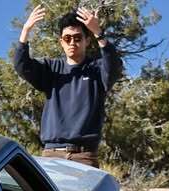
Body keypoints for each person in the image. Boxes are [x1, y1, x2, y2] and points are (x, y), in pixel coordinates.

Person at [14, 6, 123, 168]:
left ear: (87, 40)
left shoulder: (97, 70)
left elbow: (114, 66)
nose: (72, 42)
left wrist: (98, 32)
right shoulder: (51, 69)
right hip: (51, 155)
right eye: (67, 38)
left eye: (78, 38)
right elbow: (22, 66)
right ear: (61, 42)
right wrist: (25, 31)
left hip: (84, 156)